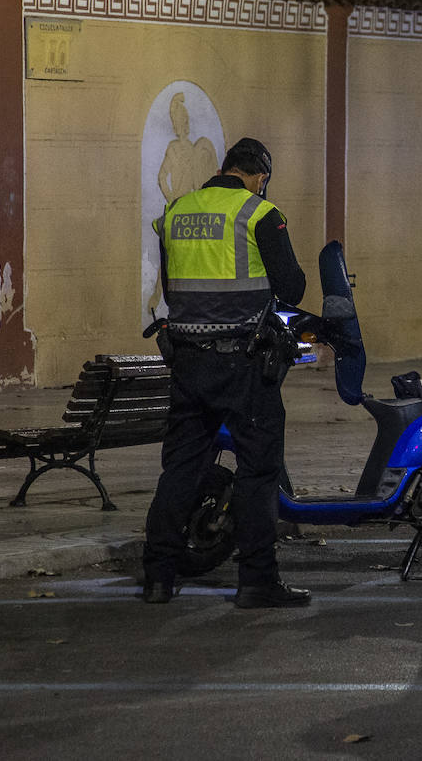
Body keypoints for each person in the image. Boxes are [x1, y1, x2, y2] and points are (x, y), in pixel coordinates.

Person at [141, 138, 310, 608]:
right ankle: (256, 582)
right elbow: (291, 287)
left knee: (181, 468)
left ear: (224, 167)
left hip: (188, 361)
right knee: (257, 472)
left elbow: (172, 285)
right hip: (244, 364)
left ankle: (158, 577)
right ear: (259, 176)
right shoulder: (259, 213)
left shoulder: (175, 212)